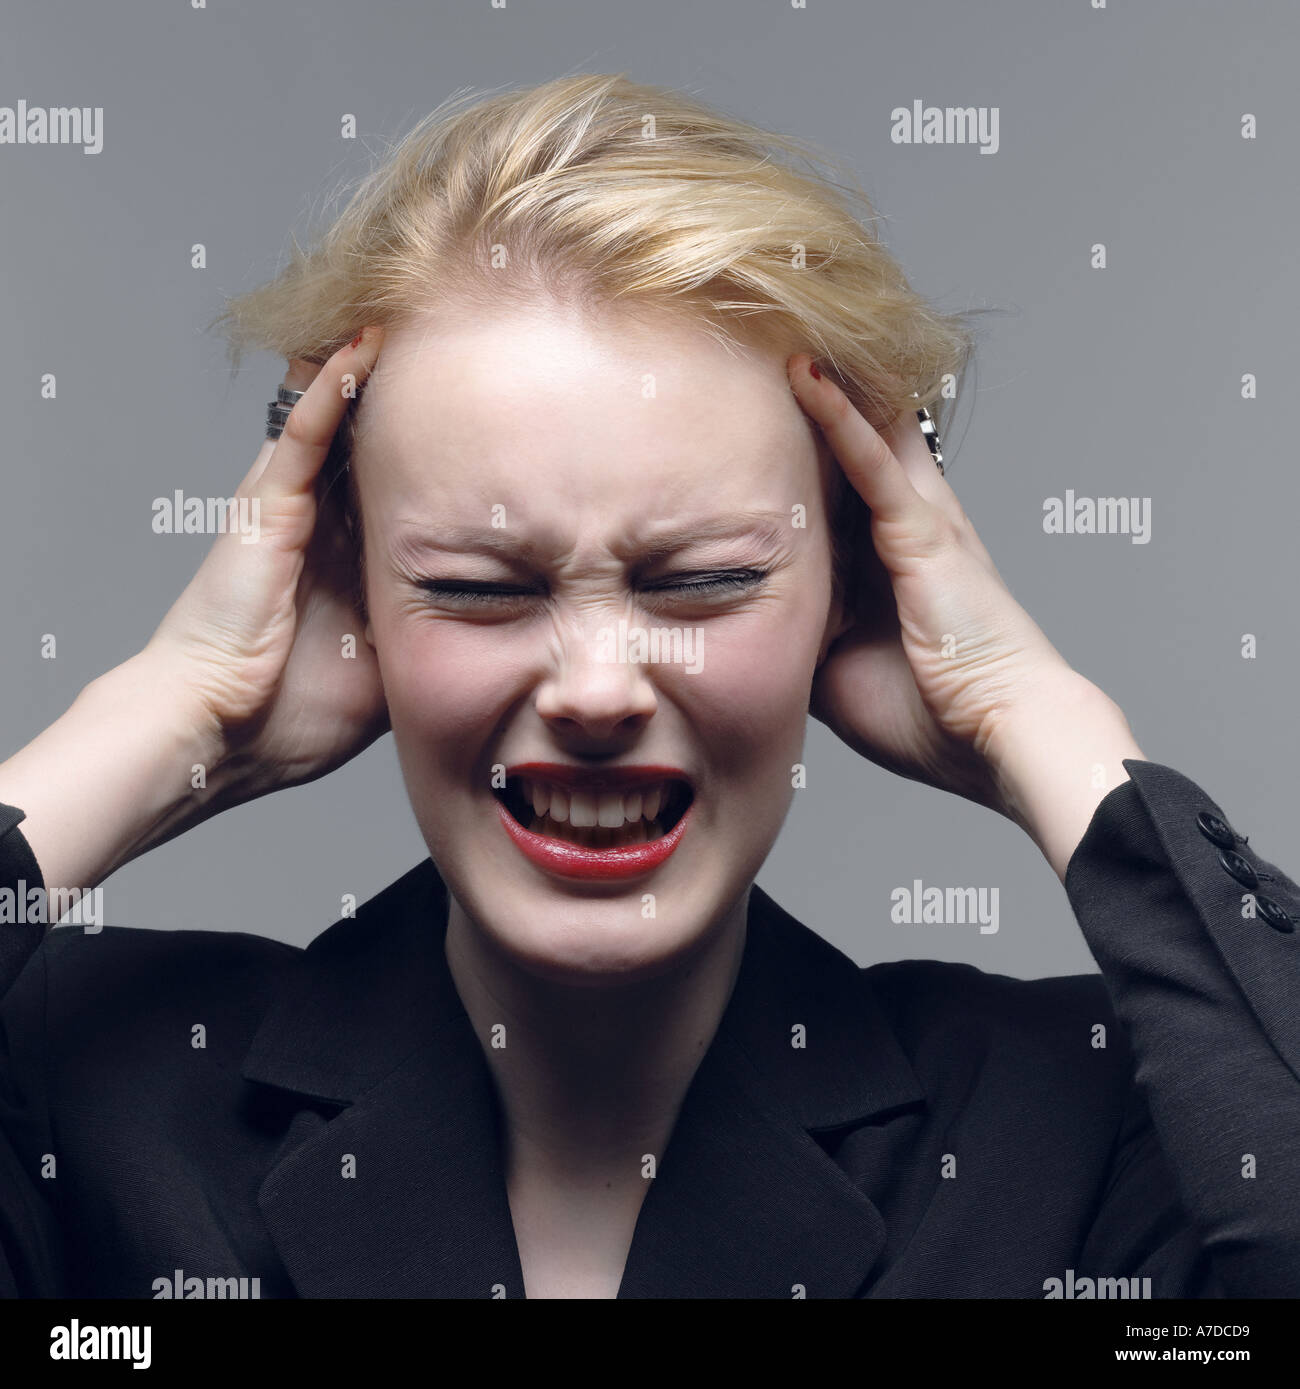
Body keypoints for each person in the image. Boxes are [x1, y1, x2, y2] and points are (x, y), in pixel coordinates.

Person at [1, 73, 1297, 1301]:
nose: (601, 688)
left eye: (702, 580)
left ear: (852, 579)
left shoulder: (1082, 1126)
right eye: (475, 586)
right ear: (355, 595)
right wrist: (159, 720)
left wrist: (1045, 725)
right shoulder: (90, 1089)